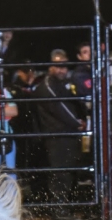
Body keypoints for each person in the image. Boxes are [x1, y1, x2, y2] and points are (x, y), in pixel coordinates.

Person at [34, 49, 86, 209]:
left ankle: (66, 207)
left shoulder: (65, 84)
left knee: (68, 171)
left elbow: (76, 103)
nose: (61, 69)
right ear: (50, 66)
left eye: (64, 66)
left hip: (68, 133)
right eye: (57, 66)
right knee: (60, 172)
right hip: (56, 134)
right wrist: (76, 122)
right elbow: (60, 107)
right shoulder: (48, 85)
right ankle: (59, 209)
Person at [71, 41, 93, 107]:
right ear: (79, 57)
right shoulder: (79, 75)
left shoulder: (97, 69)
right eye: (85, 52)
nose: (90, 54)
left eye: (91, 51)